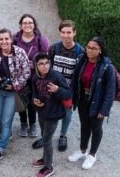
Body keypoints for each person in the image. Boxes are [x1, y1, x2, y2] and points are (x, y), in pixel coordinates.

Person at [32, 20, 84, 151]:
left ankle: (63, 135)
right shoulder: (54, 48)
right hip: (51, 87)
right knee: (48, 111)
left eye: (69, 32)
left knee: (67, 113)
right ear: (60, 33)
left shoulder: (80, 51)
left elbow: (79, 74)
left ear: (74, 33)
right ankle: (46, 137)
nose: (66, 35)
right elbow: (46, 67)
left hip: (68, 89)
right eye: (63, 32)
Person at [67, 37, 115, 170]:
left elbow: (110, 91)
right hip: (83, 98)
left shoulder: (107, 67)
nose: (89, 50)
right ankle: (82, 151)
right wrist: (72, 98)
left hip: (97, 101)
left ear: (100, 50)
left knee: (96, 128)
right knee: (84, 125)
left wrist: (104, 110)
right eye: (88, 47)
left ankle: (92, 155)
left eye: (94, 48)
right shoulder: (82, 61)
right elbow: (75, 80)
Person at [0, 28, 30, 162]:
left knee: (6, 120)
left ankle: (0, 148)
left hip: (13, 92)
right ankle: (7, 133)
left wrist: (14, 85)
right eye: (1, 39)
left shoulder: (20, 53)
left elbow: (26, 72)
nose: (4, 42)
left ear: (11, 39)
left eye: (6, 39)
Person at [31, 53, 73, 177]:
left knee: (47, 139)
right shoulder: (35, 78)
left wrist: (58, 90)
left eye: (47, 63)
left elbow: (69, 94)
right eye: (41, 64)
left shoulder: (57, 77)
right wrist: (34, 100)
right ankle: (45, 158)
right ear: (36, 66)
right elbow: (34, 92)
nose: (45, 66)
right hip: (42, 112)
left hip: (53, 114)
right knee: (44, 137)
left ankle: (49, 167)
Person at [13, 14, 48, 138]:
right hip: (19, 76)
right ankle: (23, 123)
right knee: (22, 100)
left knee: (33, 101)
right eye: (25, 23)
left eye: (30, 23)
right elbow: (8, 54)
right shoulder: (15, 38)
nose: (27, 25)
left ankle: (32, 124)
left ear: (34, 25)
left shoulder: (41, 41)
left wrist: (34, 65)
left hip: (35, 77)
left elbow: (46, 59)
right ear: (21, 25)